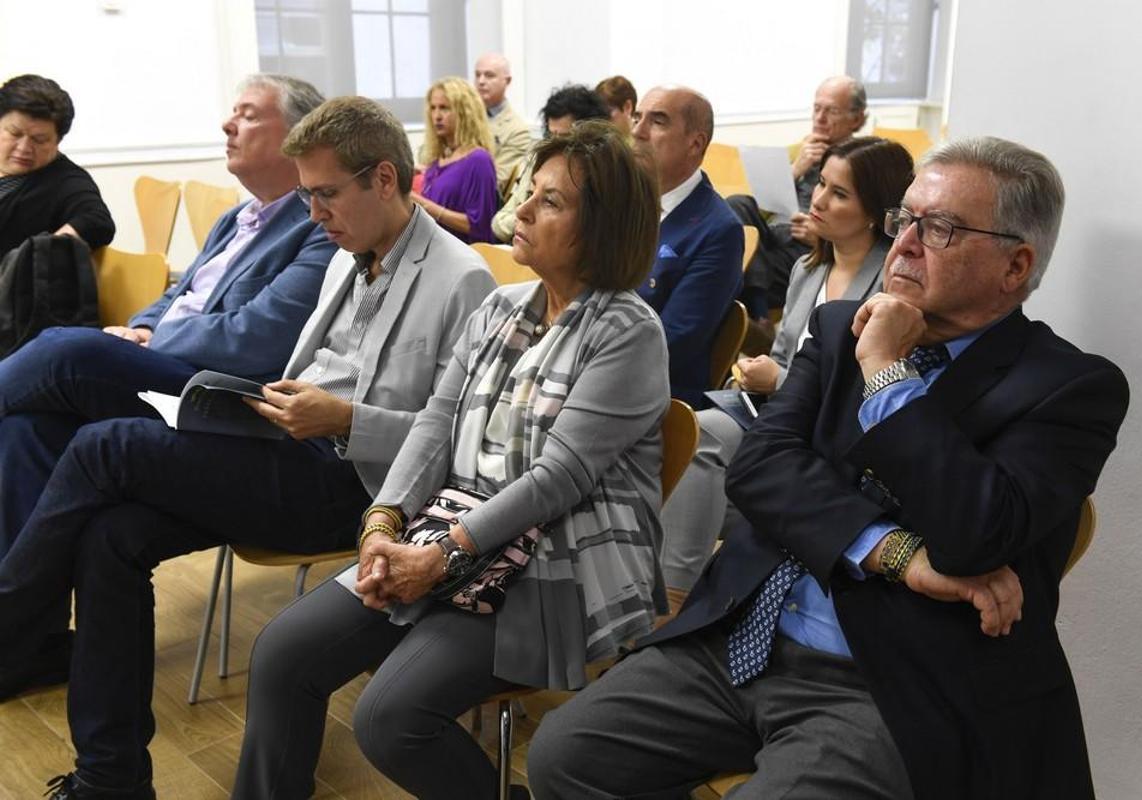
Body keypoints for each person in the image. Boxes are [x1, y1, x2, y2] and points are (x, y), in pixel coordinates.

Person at [529, 136, 1130, 799]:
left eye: (940, 229)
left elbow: (976, 533)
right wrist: (894, 552)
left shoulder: (1069, 387)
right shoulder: (842, 324)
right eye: (905, 219)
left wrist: (887, 371)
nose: (904, 244)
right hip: (744, 633)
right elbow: (759, 467)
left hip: (886, 683)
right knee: (565, 756)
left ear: (1015, 265)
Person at [0, 95, 495, 799]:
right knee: (111, 536)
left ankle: (9, 619)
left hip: (357, 488)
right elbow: (304, 365)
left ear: (384, 179)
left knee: (105, 445)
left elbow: (455, 437)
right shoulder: (347, 253)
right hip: (287, 445)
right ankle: (109, 778)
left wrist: (346, 418)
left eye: (326, 194)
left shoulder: (462, 278)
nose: (314, 214)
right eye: (308, 196)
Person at [231, 121, 668, 800]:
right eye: (529, 191)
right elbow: (438, 424)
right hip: (451, 532)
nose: (521, 209)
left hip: (554, 563)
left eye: (550, 201)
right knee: (283, 654)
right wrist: (383, 522)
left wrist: (440, 558)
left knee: (390, 720)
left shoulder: (628, 331)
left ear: (604, 229)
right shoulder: (501, 307)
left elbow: (558, 480)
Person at [0, 73, 333, 561]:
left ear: (296, 136)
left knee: (65, 348)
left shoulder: (319, 225)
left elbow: (257, 337)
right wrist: (142, 326)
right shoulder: (237, 217)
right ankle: (26, 608)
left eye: (247, 116)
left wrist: (154, 339)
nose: (227, 125)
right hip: (168, 360)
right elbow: (180, 292)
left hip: (216, 386)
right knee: (26, 428)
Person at [661, 136, 913, 590]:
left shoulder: (891, 287)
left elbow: (868, 383)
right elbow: (783, 353)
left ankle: (677, 592)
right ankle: (686, 582)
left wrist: (778, 378)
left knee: (705, 446)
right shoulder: (808, 270)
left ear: (875, 213)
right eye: (821, 184)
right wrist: (758, 372)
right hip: (779, 413)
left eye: (839, 194)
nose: (818, 199)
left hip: (833, 429)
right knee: (688, 437)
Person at [631, 85, 744, 409]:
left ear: (695, 143)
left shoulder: (719, 230)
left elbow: (672, 343)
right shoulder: (621, 202)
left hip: (655, 396)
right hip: (599, 368)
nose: (637, 132)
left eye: (657, 121)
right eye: (637, 118)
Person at [730, 76, 868, 332]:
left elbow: (868, 229)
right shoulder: (799, 150)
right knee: (737, 204)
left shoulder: (863, 162)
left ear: (856, 119)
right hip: (773, 235)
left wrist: (821, 237)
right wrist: (795, 169)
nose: (820, 118)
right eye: (817, 108)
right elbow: (760, 209)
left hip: (808, 247)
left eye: (831, 111)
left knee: (732, 268)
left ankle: (757, 313)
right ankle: (757, 316)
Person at [0, 74, 113, 255]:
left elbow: (97, 221)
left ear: (57, 141)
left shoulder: (67, 181)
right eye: (14, 133)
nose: (23, 148)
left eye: (39, 139)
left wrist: (39, 254)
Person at [491, 82, 610, 243]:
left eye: (565, 139)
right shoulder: (537, 162)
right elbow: (499, 223)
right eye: (551, 136)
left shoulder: (600, 175)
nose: (554, 146)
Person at [414, 76, 499, 244]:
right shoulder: (439, 159)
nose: (437, 116)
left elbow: (479, 226)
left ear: (464, 113)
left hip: (462, 251)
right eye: (433, 108)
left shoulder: (478, 160)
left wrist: (423, 205)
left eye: (444, 108)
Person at [474, 52, 533, 188]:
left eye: (489, 75)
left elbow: (497, 182)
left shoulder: (517, 130)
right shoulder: (461, 116)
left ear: (507, 81)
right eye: (477, 75)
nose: (481, 81)